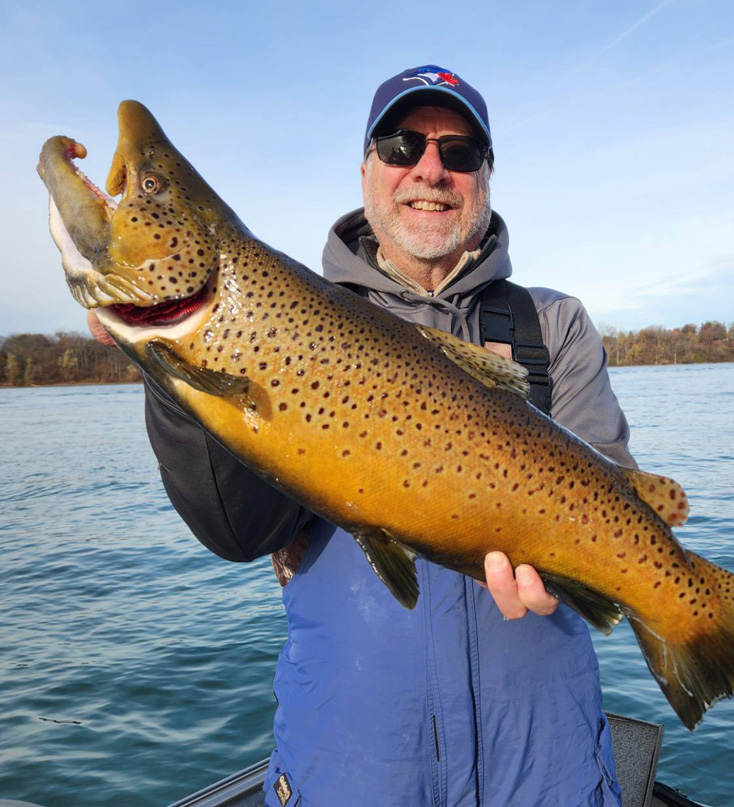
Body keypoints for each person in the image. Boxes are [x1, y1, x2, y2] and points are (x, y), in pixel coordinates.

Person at [109, 65, 635, 806]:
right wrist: (170, 361)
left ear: (485, 178)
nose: (430, 169)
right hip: (350, 779)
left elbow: (612, 491)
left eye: (459, 153)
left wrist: (580, 566)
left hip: (548, 777)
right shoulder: (284, 322)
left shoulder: (553, 326)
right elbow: (237, 528)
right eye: (402, 143)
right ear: (366, 169)